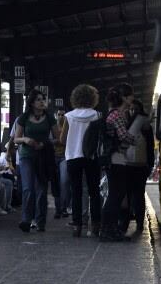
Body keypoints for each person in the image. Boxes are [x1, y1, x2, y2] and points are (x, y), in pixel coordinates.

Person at [14, 89, 59, 233]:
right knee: (28, 188)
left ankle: (40, 221)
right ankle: (26, 220)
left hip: (44, 156)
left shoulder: (50, 117)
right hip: (27, 155)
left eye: (43, 99)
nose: (42, 102)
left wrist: (45, 142)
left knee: (41, 189)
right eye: (39, 99)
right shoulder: (24, 117)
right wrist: (26, 139)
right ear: (32, 102)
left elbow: (57, 138)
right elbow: (16, 138)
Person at [61, 85, 101, 237]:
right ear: (93, 98)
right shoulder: (97, 115)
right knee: (94, 191)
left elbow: (62, 138)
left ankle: (77, 225)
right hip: (92, 157)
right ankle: (96, 224)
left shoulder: (69, 116)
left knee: (76, 191)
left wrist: (74, 142)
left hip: (73, 156)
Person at [100, 83, 137, 242]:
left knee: (115, 194)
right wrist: (135, 139)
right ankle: (108, 230)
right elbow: (123, 136)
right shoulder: (118, 115)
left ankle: (110, 228)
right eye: (130, 96)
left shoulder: (113, 113)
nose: (132, 99)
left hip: (114, 158)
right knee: (116, 194)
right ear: (124, 97)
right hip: (115, 159)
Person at [124, 99, 155, 232]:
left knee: (137, 194)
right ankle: (134, 221)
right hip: (129, 165)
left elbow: (150, 146)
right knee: (132, 194)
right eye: (131, 109)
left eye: (135, 109)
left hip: (138, 166)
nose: (133, 111)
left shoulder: (143, 125)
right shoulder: (127, 123)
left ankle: (138, 222)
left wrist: (150, 164)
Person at [53, 108, 70, 219]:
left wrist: (59, 141)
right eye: (59, 114)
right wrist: (59, 141)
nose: (61, 116)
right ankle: (58, 209)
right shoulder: (53, 127)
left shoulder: (68, 127)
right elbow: (49, 140)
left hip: (65, 156)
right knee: (56, 183)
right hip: (53, 157)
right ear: (56, 115)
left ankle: (64, 208)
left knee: (64, 182)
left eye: (63, 114)